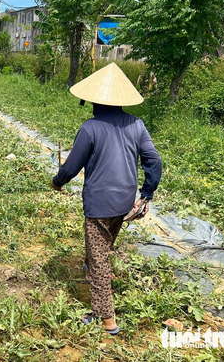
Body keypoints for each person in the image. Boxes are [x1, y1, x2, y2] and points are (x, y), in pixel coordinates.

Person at [51, 63, 162, 335]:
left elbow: (71, 166)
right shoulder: (136, 125)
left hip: (99, 204)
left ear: (95, 100)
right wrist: (146, 193)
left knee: (99, 256)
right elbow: (154, 160)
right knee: (102, 247)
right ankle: (95, 269)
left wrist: (57, 182)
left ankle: (107, 319)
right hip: (125, 202)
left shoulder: (90, 128)